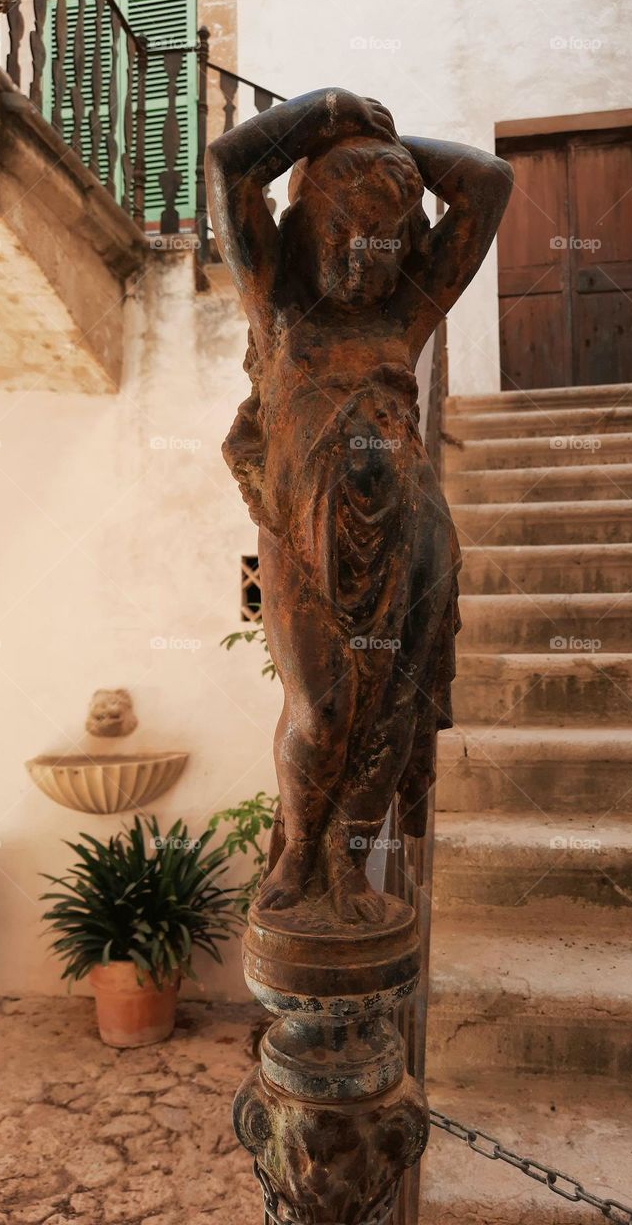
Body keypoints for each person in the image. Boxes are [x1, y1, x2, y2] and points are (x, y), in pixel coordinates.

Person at [208, 88, 513, 923]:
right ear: (307, 230)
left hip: (408, 537)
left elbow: (487, 183)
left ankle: (350, 868)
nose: (361, 261)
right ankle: (302, 850)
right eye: (343, 234)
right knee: (322, 708)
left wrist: (393, 147)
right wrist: (332, 112)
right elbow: (229, 167)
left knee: (390, 710)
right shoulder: (279, 306)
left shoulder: (405, 316)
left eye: (382, 241)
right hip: (301, 534)